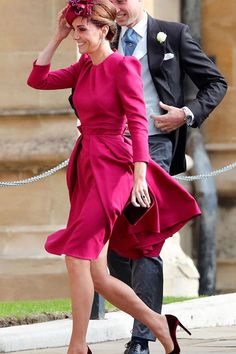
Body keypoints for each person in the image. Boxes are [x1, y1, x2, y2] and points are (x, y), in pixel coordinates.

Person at [27, 1, 201, 353]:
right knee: (99, 273)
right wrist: (58, 36)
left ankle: (77, 346)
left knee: (76, 254)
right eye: (73, 29)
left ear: (105, 30)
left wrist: (140, 175)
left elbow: (138, 123)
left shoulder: (123, 67)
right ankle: (159, 324)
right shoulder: (83, 68)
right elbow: (37, 79)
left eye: (81, 29)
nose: (77, 36)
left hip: (114, 169)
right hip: (86, 165)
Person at [107, 1, 227, 353]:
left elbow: (215, 83)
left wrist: (186, 114)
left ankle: (142, 338)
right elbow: (78, 90)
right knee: (114, 244)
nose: (115, 8)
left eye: (120, 0)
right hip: (113, 149)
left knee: (145, 238)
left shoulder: (172, 34)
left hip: (156, 145)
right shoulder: (104, 37)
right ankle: (154, 318)